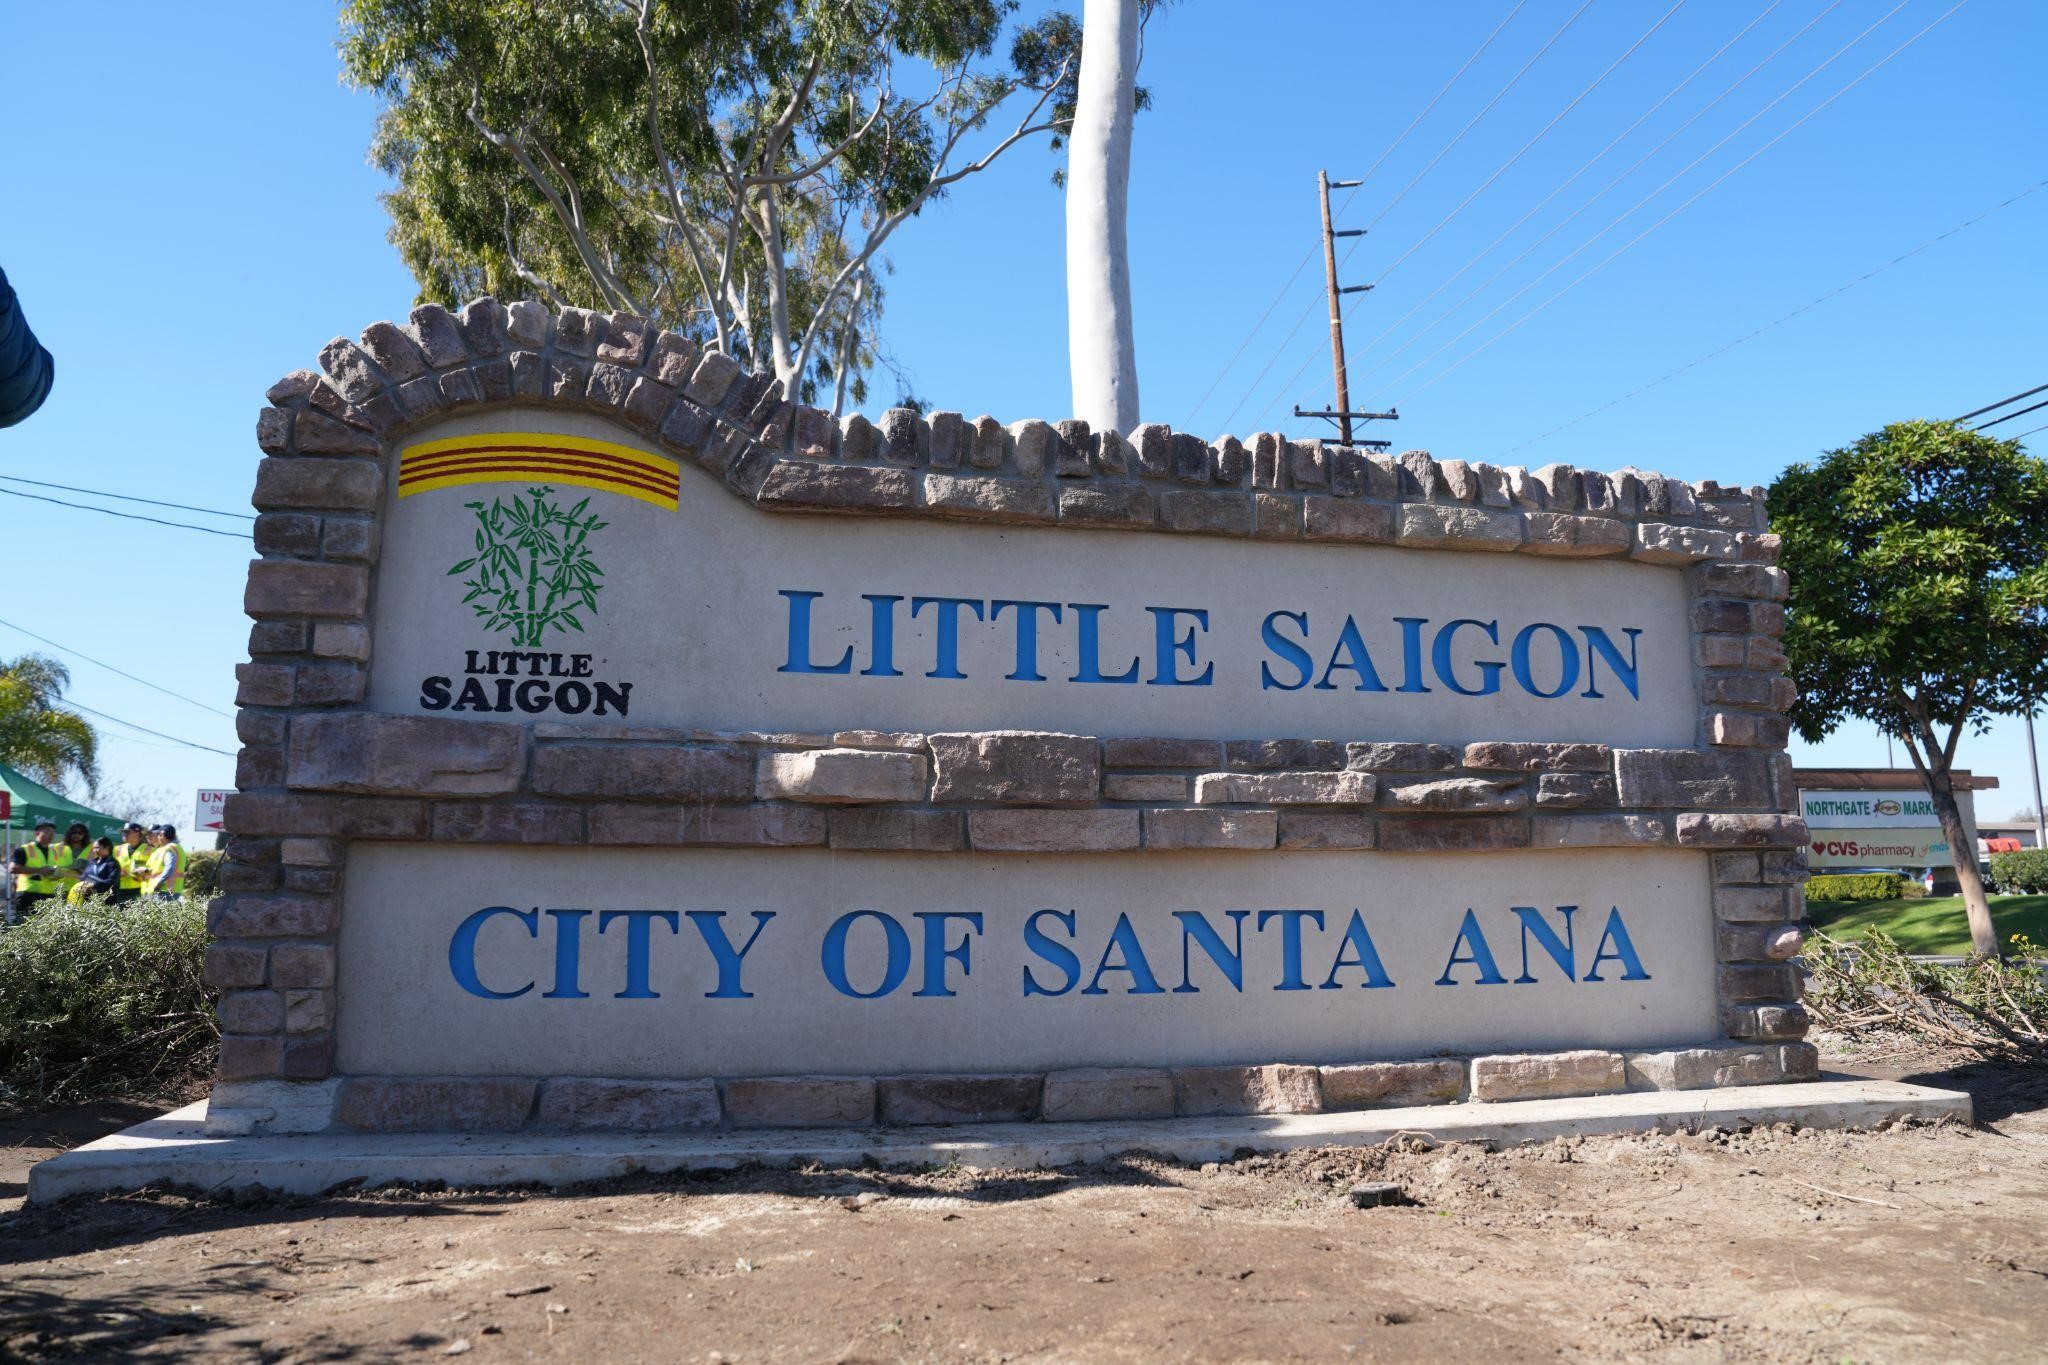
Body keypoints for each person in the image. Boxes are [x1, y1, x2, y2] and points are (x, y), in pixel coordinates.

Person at [10, 818, 74, 919]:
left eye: (53, 832)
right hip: (28, 895)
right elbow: (13, 868)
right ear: (37, 833)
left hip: (49, 896)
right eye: (47, 831)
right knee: (24, 927)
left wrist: (56, 875)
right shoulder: (24, 849)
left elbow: (52, 870)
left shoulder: (54, 851)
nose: (51, 834)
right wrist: (39, 870)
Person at [70, 837, 121, 904]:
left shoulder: (113, 864)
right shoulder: (92, 862)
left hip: (106, 901)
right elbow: (83, 877)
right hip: (88, 901)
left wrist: (93, 885)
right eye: (94, 848)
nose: (95, 850)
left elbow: (112, 882)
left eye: (97, 847)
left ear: (107, 847)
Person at [142, 824, 186, 898]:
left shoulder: (169, 848)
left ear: (162, 835)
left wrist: (159, 883)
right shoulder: (175, 848)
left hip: (166, 891)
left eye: (158, 835)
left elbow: (170, 867)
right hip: (169, 890)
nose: (157, 837)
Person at [111, 822, 149, 905]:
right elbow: (111, 867)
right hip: (120, 890)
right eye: (123, 832)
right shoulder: (117, 849)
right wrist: (117, 872)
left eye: (127, 832)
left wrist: (144, 872)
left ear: (137, 833)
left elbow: (154, 869)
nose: (124, 834)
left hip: (140, 890)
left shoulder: (149, 849)